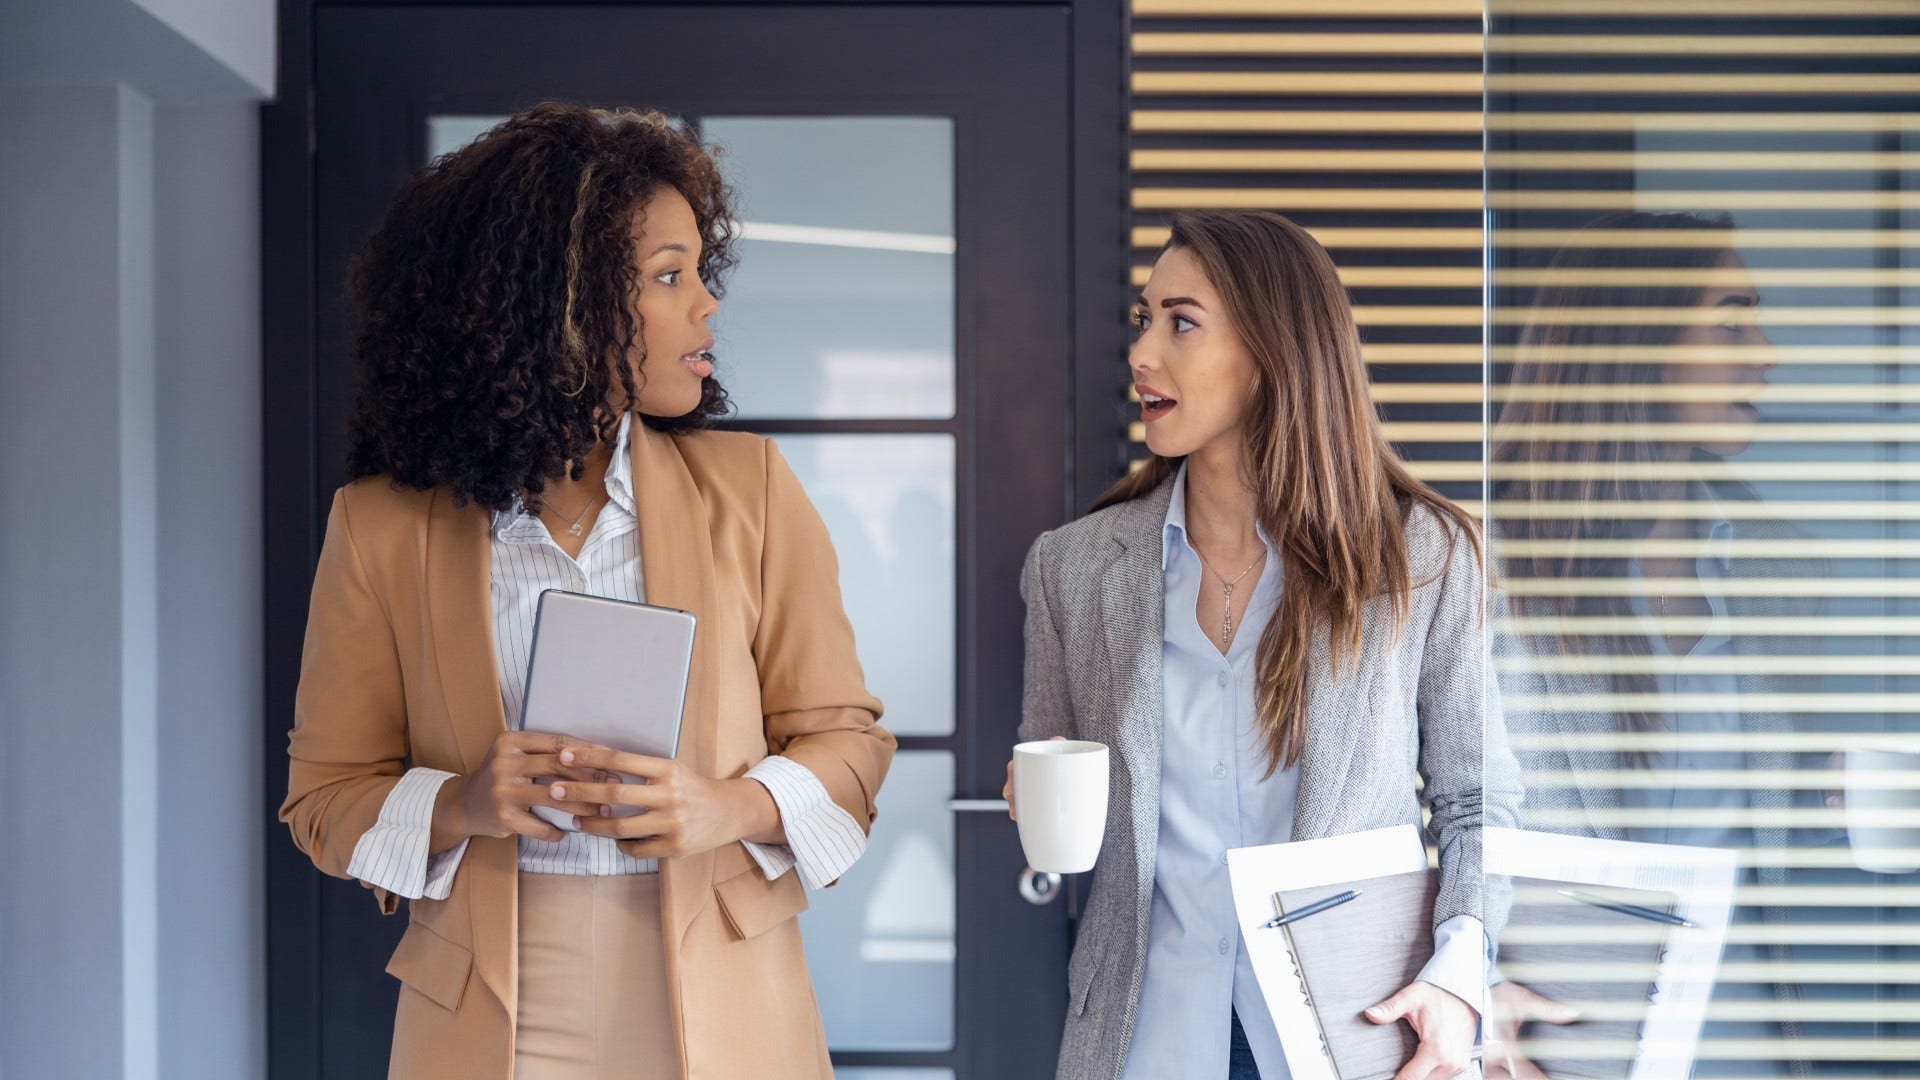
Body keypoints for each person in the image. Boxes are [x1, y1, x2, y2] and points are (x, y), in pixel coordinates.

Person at [279, 102, 895, 1080]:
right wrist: (466, 803)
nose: (706, 304)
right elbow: (323, 800)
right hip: (490, 1020)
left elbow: (850, 748)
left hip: (728, 1004)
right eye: (666, 275)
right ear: (554, 306)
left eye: (700, 269)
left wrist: (723, 808)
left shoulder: (755, 493)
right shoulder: (381, 528)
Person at [1007, 209, 1519, 1080]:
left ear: (1272, 350)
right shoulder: (1074, 568)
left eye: (1182, 323)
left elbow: (1477, 803)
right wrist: (1034, 797)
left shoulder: (1420, 556)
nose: (1142, 355)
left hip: (1353, 1038)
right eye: (1145, 319)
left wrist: (1458, 977)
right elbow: (1058, 779)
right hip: (1144, 1040)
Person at [1487, 210, 1831, 1078]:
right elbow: (1436, 837)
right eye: (1730, 320)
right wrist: (1475, 992)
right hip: (1571, 1054)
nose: (1768, 352)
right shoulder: (1485, 592)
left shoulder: (1786, 576)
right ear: (1635, 341)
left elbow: (1795, 838)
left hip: (1756, 1046)